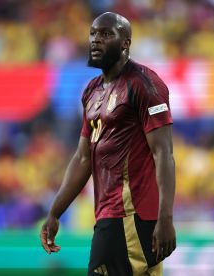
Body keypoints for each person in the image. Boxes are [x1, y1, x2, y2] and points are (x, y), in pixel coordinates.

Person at [40, 12, 176, 276]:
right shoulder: (92, 91)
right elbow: (83, 158)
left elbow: (164, 154)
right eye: (93, 34)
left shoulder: (145, 85)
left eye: (106, 34)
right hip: (110, 217)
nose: (96, 40)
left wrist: (166, 218)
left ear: (125, 42)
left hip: (130, 217)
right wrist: (55, 212)